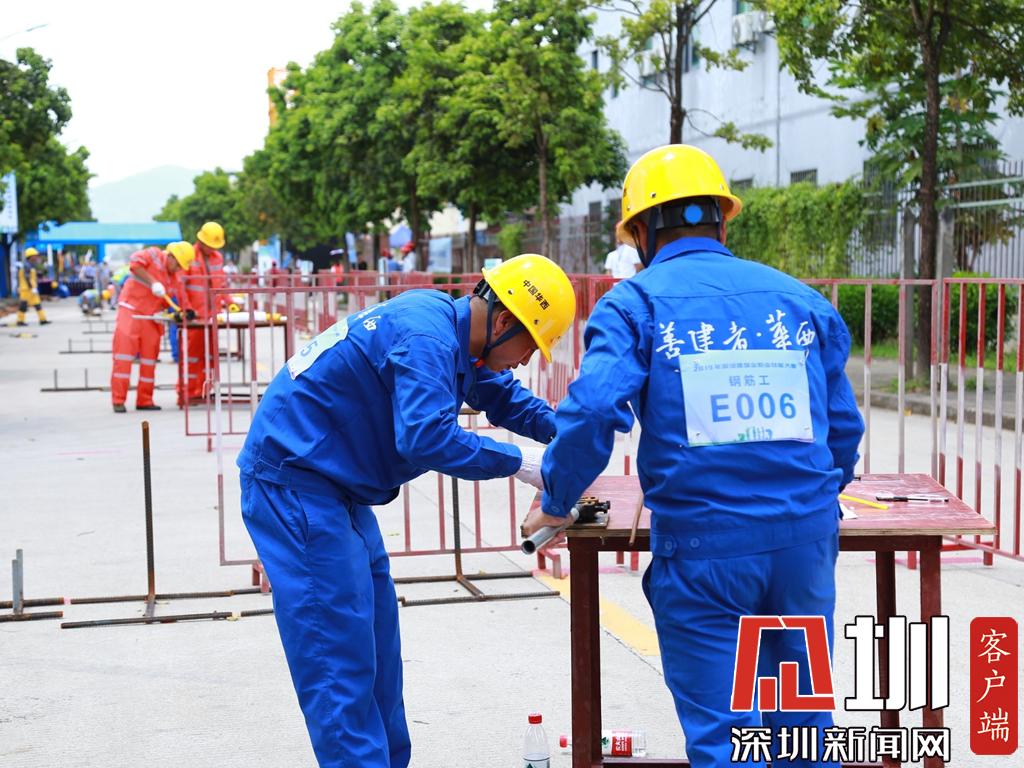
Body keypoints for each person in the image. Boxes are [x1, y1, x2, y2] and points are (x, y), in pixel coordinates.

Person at [523, 145, 864, 768]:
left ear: (642, 233)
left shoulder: (636, 304)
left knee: (726, 737)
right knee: (804, 729)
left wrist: (557, 497)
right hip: (804, 546)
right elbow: (842, 428)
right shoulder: (801, 301)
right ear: (722, 222)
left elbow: (594, 411)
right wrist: (811, 501)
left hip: (707, 551)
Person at [237, 254, 576, 768]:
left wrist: (572, 435)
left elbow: (505, 398)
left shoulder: (456, 336)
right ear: (504, 322)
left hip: (336, 488)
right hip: (296, 486)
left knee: (376, 653)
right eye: (529, 345)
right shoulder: (427, 336)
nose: (526, 360)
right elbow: (426, 438)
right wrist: (523, 463)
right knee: (338, 662)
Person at [110, 242, 195, 413]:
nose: (178, 269)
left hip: (152, 317)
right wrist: (154, 282)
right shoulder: (153, 254)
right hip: (131, 311)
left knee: (149, 360)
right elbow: (135, 265)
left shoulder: (174, 277)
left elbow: (179, 298)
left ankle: (145, 400)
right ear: (171, 256)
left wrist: (187, 311)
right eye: (178, 265)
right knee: (124, 357)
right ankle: (118, 400)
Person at [178, 221, 227, 406]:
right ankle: (187, 393)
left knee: (210, 357)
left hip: (213, 317)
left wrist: (229, 303)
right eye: (210, 245)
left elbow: (221, 285)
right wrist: (188, 309)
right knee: (192, 357)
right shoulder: (189, 255)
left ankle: (204, 392)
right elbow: (181, 287)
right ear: (201, 241)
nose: (212, 249)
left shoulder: (217, 258)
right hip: (196, 318)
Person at [15, 247, 50, 326]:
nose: (36, 257)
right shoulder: (26, 265)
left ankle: (43, 319)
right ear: (30, 256)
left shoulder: (31, 265)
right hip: (26, 289)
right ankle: (20, 321)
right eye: (35, 255)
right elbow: (27, 277)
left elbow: (32, 275)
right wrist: (32, 287)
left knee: (37, 304)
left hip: (31, 289)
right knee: (23, 305)